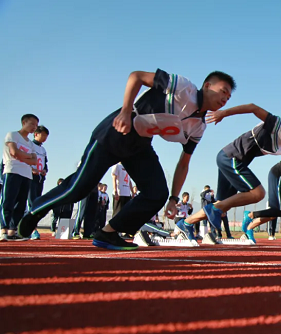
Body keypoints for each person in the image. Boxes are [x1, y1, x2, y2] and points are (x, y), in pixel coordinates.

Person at [18, 69, 236, 250]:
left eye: (228, 97)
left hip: (140, 145)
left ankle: (108, 233)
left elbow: (184, 162)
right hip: (118, 129)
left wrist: (174, 197)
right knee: (79, 188)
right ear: (207, 85)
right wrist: (124, 112)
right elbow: (137, 76)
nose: (225, 99)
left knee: (157, 193)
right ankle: (36, 210)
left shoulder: (199, 126)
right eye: (223, 91)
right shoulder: (182, 86)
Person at [177, 105, 281, 244]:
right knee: (257, 193)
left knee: (223, 202)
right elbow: (252, 107)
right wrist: (222, 113)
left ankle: (186, 224)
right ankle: (211, 211)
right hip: (231, 157)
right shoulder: (279, 124)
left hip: (236, 161)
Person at [1, 114, 38, 242]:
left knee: (20, 204)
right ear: (24, 122)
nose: (34, 127)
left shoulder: (31, 144)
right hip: (12, 171)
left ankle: (12, 231)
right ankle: (3, 230)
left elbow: (34, 161)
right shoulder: (13, 135)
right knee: (8, 201)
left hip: (26, 175)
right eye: (32, 124)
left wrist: (23, 157)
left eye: (36, 125)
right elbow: (13, 152)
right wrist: (26, 157)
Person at [27, 125, 50, 240]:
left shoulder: (43, 150)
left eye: (46, 136)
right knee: (31, 202)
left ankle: (31, 228)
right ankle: (32, 229)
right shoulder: (29, 145)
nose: (45, 138)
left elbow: (45, 163)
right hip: (30, 177)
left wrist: (45, 170)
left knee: (37, 202)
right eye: (43, 135)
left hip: (40, 179)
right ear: (36, 134)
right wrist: (31, 169)